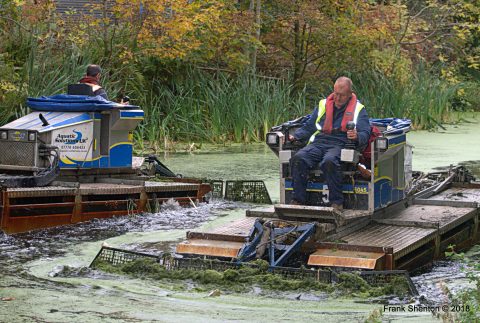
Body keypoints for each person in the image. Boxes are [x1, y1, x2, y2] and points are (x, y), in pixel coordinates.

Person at [288, 77, 371, 211]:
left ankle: (337, 203)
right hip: (320, 142)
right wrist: (295, 136)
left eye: (342, 95)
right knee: (299, 158)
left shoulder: (359, 109)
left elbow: (365, 133)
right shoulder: (323, 105)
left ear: (350, 94)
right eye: (336, 94)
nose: (337, 98)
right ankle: (298, 201)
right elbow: (310, 126)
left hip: (341, 143)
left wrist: (357, 136)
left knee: (329, 161)